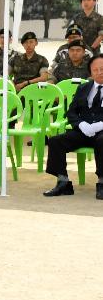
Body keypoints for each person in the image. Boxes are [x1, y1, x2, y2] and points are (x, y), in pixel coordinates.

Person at [43, 54, 103, 199]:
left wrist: (99, 126)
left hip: (102, 132)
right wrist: (81, 124)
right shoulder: (84, 88)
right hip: (83, 130)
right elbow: (71, 111)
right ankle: (63, 182)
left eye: (102, 69)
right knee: (56, 141)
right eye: (96, 70)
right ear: (90, 72)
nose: (100, 72)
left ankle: (102, 182)